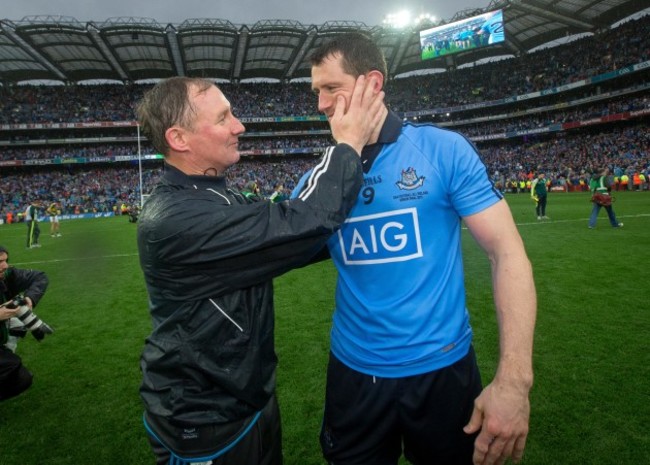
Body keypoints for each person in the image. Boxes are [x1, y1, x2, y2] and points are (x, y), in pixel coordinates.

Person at [303, 32, 536, 465]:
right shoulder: (321, 178)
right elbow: (275, 245)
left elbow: (507, 253)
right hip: (353, 374)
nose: (320, 104)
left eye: (331, 88)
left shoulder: (442, 150)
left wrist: (514, 381)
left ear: (372, 83)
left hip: (442, 370)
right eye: (316, 92)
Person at [135, 75, 384, 465]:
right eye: (223, 118)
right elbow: (306, 221)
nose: (240, 126)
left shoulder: (220, 194)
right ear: (179, 139)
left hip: (245, 396)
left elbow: (293, 243)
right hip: (203, 414)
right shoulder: (176, 218)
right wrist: (347, 144)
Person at [0, 245, 53, 401]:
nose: (5, 265)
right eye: (0, 262)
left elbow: (40, 277)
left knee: (22, 379)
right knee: (11, 364)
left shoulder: (8, 275)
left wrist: (30, 297)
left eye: (6, 261)